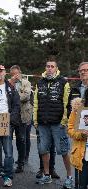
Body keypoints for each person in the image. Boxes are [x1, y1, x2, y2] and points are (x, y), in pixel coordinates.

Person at [34, 58, 73, 188]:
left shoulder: (63, 82)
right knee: (43, 149)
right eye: (48, 66)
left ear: (56, 69)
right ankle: (46, 175)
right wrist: (35, 120)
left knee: (63, 150)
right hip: (42, 123)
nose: (49, 68)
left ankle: (69, 177)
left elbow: (67, 104)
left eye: (52, 66)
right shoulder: (39, 83)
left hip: (58, 124)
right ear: (45, 68)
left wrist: (64, 121)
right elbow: (36, 103)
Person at [67, 61, 88, 189]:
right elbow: (71, 126)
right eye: (81, 70)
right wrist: (80, 132)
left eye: (86, 70)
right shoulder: (75, 90)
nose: (83, 72)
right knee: (81, 185)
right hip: (81, 149)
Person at [9, 65, 32, 173]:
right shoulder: (8, 83)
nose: (15, 76)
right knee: (8, 139)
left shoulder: (26, 83)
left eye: (17, 73)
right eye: (13, 74)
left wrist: (14, 96)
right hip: (10, 115)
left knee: (21, 140)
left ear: (20, 73)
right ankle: (9, 161)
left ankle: (21, 163)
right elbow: (6, 96)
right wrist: (12, 85)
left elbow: (26, 96)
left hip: (22, 115)